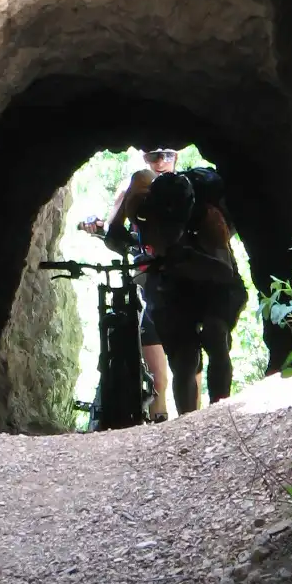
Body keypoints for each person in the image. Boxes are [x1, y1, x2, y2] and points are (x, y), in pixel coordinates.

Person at [78, 147, 181, 419]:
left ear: (176, 158)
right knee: (159, 379)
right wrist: (98, 227)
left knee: (184, 364)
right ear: (143, 158)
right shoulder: (130, 190)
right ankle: (157, 426)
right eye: (152, 156)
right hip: (146, 283)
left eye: (166, 155)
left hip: (177, 287)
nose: (160, 161)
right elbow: (114, 232)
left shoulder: (185, 190)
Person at [137, 168, 247, 415]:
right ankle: (188, 421)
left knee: (215, 334)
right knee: (185, 359)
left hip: (215, 284)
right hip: (172, 287)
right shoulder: (144, 215)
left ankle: (220, 411)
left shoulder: (209, 219)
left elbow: (224, 272)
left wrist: (188, 257)